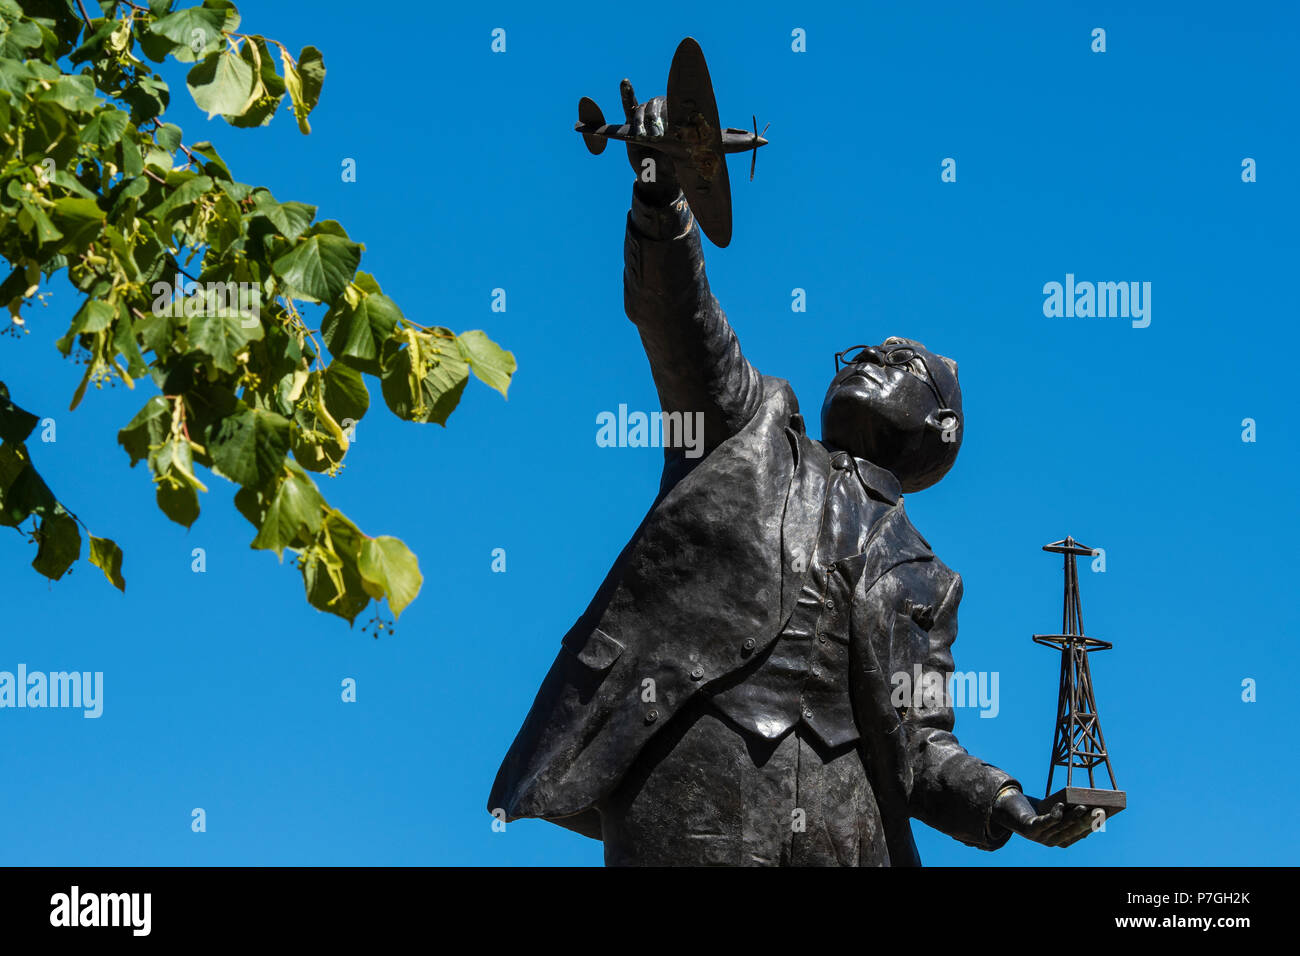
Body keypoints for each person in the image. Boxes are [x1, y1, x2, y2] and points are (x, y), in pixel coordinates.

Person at [488, 84, 1096, 865]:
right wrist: (660, 198)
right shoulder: (748, 429)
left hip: (848, 823)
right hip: (697, 781)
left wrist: (1012, 806)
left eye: (898, 362)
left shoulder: (930, 582)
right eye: (867, 353)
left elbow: (920, 743)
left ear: (938, 428)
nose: (871, 359)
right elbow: (685, 328)